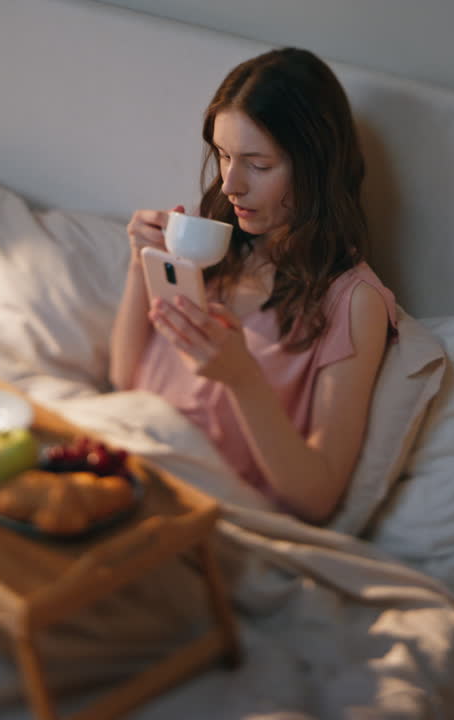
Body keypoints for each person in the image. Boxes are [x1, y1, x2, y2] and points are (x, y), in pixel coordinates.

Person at [109, 48, 398, 525]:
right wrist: (140, 267)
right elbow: (123, 383)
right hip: (124, 456)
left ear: (316, 168)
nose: (229, 185)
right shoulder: (208, 245)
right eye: (223, 156)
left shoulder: (352, 303)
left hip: (196, 512)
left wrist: (243, 379)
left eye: (258, 166)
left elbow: (316, 496)